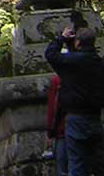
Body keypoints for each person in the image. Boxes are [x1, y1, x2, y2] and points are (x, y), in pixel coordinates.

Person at [45, 25, 104, 176]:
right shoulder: (99, 63)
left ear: (78, 42)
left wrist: (62, 38)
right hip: (96, 116)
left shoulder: (70, 63)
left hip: (75, 116)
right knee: (97, 163)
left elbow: (51, 54)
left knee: (76, 162)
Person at [46, 74, 67, 176]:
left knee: (62, 169)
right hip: (85, 127)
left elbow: (53, 110)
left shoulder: (58, 80)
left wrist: (50, 133)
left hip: (62, 131)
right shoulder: (84, 77)